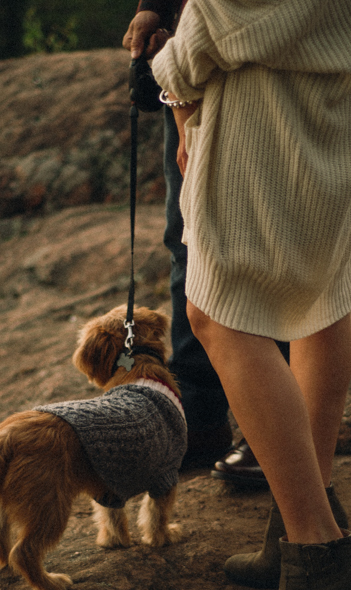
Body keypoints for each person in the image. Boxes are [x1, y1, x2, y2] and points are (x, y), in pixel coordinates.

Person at [148, 0, 351, 590]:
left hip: (279, 103)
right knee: (322, 298)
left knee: (216, 314)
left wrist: (172, 65)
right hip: (346, 84)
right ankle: (304, 509)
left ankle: (316, 546)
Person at [123, 3, 271, 483]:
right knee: (186, 241)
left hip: (248, 70)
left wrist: (179, 61)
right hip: (184, 64)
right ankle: (200, 420)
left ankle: (271, 431)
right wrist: (151, 9)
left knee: (263, 243)